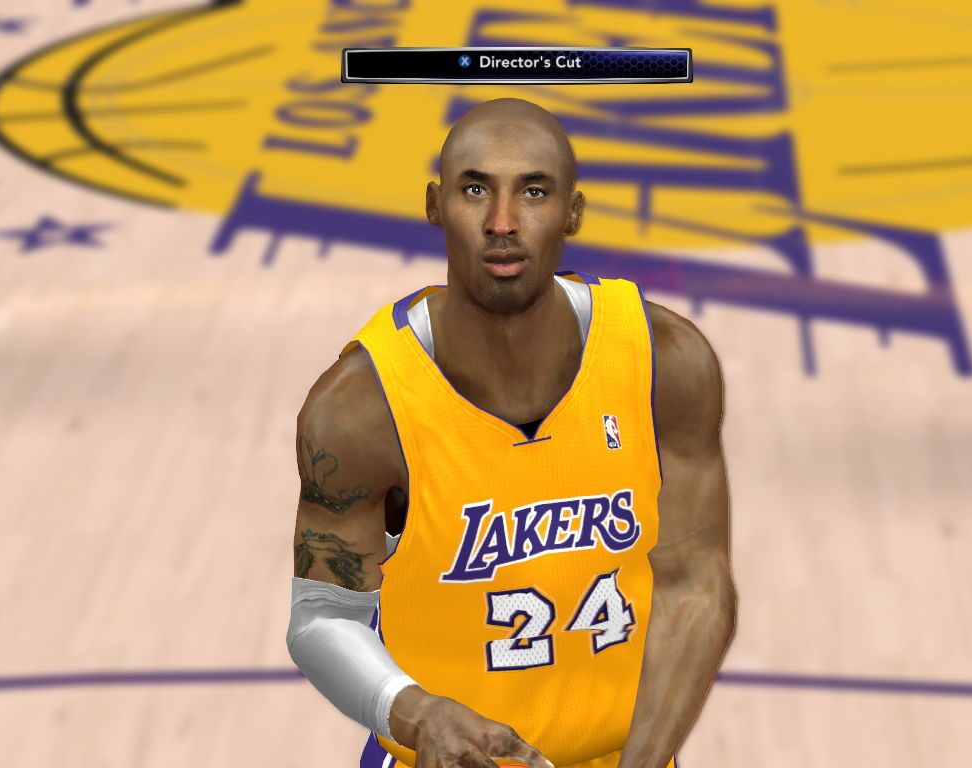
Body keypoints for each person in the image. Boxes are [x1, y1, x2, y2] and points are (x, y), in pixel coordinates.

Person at [287, 97, 736, 768]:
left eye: (533, 192)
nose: (502, 223)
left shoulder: (662, 361)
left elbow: (694, 581)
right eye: (476, 190)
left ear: (572, 212)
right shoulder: (361, 407)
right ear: (435, 205)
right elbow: (323, 618)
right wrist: (417, 713)